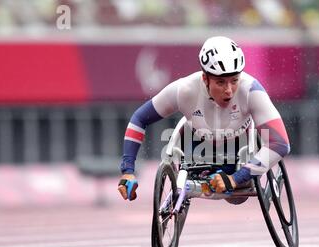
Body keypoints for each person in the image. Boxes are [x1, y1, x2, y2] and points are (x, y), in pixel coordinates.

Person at [118, 36, 290, 201]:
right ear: (205, 79)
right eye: (221, 82)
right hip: (197, 149)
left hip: (239, 153)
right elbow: (139, 119)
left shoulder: (251, 90)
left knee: (237, 199)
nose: (229, 90)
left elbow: (280, 144)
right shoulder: (184, 89)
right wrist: (127, 170)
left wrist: (236, 178)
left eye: (234, 80)